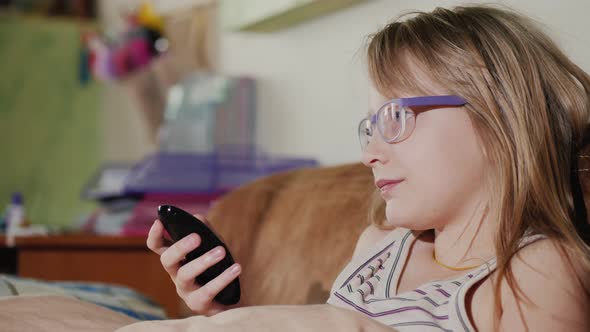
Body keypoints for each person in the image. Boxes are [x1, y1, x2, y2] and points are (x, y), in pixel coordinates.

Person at [147, 5, 590, 331]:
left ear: (499, 117)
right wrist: (229, 319)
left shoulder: (539, 271)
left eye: (395, 118)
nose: (369, 154)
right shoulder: (376, 248)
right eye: (369, 127)